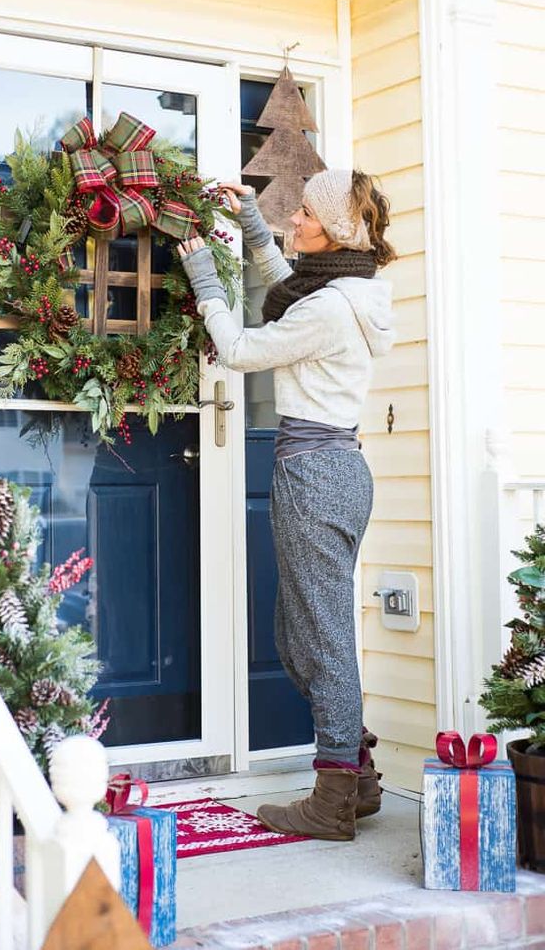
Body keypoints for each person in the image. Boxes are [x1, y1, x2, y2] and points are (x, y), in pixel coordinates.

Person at [177, 169, 395, 843]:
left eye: (303, 212)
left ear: (330, 229)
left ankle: (332, 794)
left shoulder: (330, 307)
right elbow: (289, 294)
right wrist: (248, 221)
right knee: (302, 634)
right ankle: (356, 774)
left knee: (321, 639)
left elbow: (241, 345)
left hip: (313, 475)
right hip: (342, 469)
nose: (292, 219)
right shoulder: (353, 290)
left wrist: (203, 279)